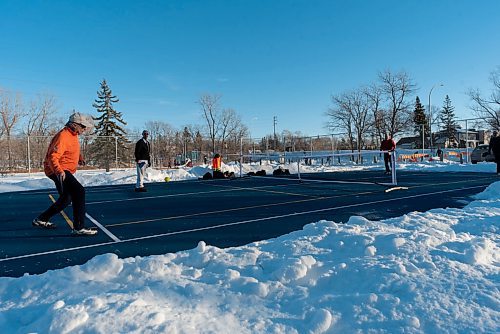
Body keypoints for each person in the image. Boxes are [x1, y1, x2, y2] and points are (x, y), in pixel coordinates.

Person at [32, 112, 97, 236]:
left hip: (63, 169)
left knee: (66, 199)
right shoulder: (63, 136)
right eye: (82, 126)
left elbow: (72, 149)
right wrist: (59, 171)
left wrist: (79, 158)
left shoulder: (73, 135)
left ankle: (41, 219)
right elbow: (53, 156)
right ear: (74, 125)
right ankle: (79, 227)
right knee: (79, 191)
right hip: (58, 169)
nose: (84, 129)